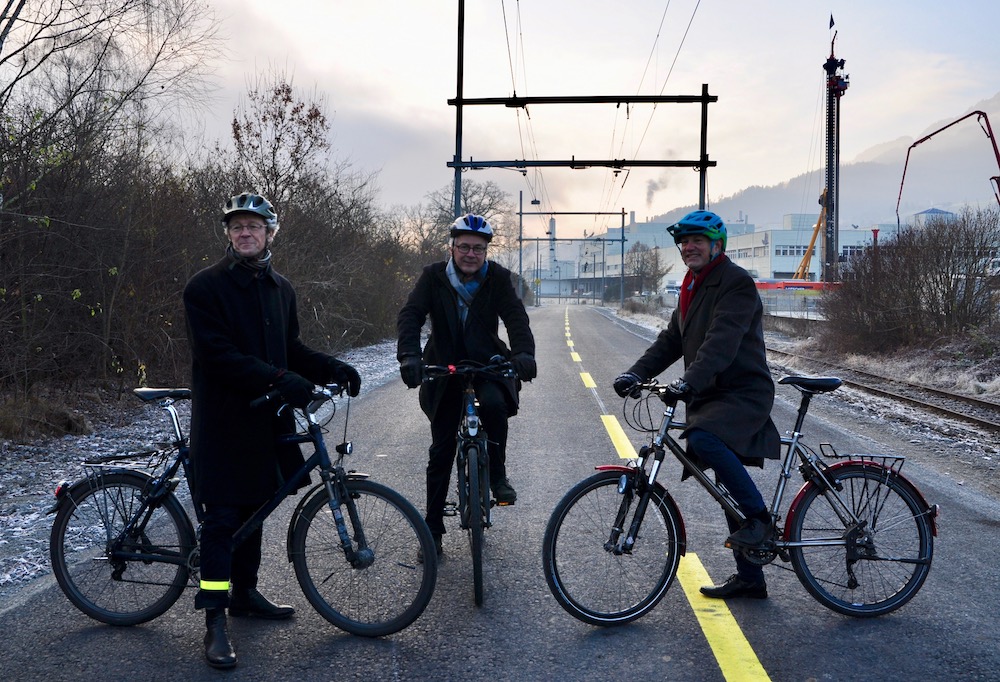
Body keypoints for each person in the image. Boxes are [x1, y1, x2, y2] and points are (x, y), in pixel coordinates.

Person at [183, 192, 361, 668]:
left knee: (258, 508)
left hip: (267, 419)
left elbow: (291, 348)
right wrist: (284, 380)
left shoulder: (281, 288)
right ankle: (215, 621)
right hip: (223, 423)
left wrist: (332, 367)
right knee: (222, 521)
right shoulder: (205, 288)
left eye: (253, 226)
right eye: (237, 226)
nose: (245, 233)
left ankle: (245, 593)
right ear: (229, 234)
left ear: (269, 234)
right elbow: (218, 357)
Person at [612, 209, 779, 600]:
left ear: (716, 244)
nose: (689, 247)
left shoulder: (735, 283)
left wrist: (688, 382)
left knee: (702, 440)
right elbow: (671, 340)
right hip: (711, 390)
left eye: (697, 240)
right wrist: (634, 374)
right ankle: (751, 579)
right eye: (684, 242)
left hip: (742, 391)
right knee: (724, 486)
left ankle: (759, 520)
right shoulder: (692, 284)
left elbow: (721, 343)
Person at [397, 214, 536, 558]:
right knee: (441, 449)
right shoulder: (433, 277)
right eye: (464, 247)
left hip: (486, 362)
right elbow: (411, 314)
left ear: (486, 250)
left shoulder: (499, 278)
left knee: (494, 406)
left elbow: (516, 317)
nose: (470, 254)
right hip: (443, 365)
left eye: (478, 248)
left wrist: (523, 353)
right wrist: (409, 356)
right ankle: (432, 530)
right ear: (452, 248)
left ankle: (498, 475)